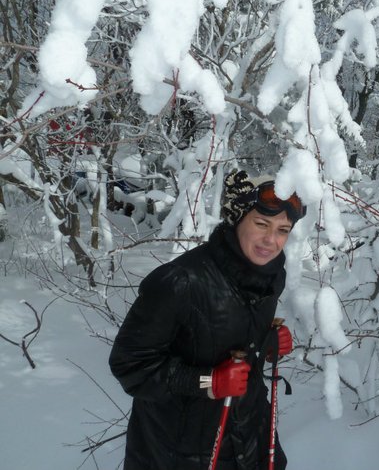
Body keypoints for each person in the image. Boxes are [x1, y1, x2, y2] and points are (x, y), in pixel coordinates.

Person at [109, 169, 305, 470]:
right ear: (237, 220)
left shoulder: (271, 274)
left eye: (282, 230)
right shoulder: (180, 282)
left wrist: (267, 342)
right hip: (181, 452)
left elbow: (231, 337)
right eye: (261, 224)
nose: (271, 240)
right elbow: (130, 365)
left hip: (251, 439)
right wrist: (208, 381)